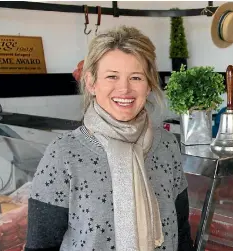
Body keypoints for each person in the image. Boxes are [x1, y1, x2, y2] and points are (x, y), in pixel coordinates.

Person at [25, 26, 194, 251]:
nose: (124, 89)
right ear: (91, 83)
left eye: (136, 77)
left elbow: (181, 231)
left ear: (149, 84)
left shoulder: (166, 145)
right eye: (112, 76)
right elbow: (41, 246)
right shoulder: (64, 153)